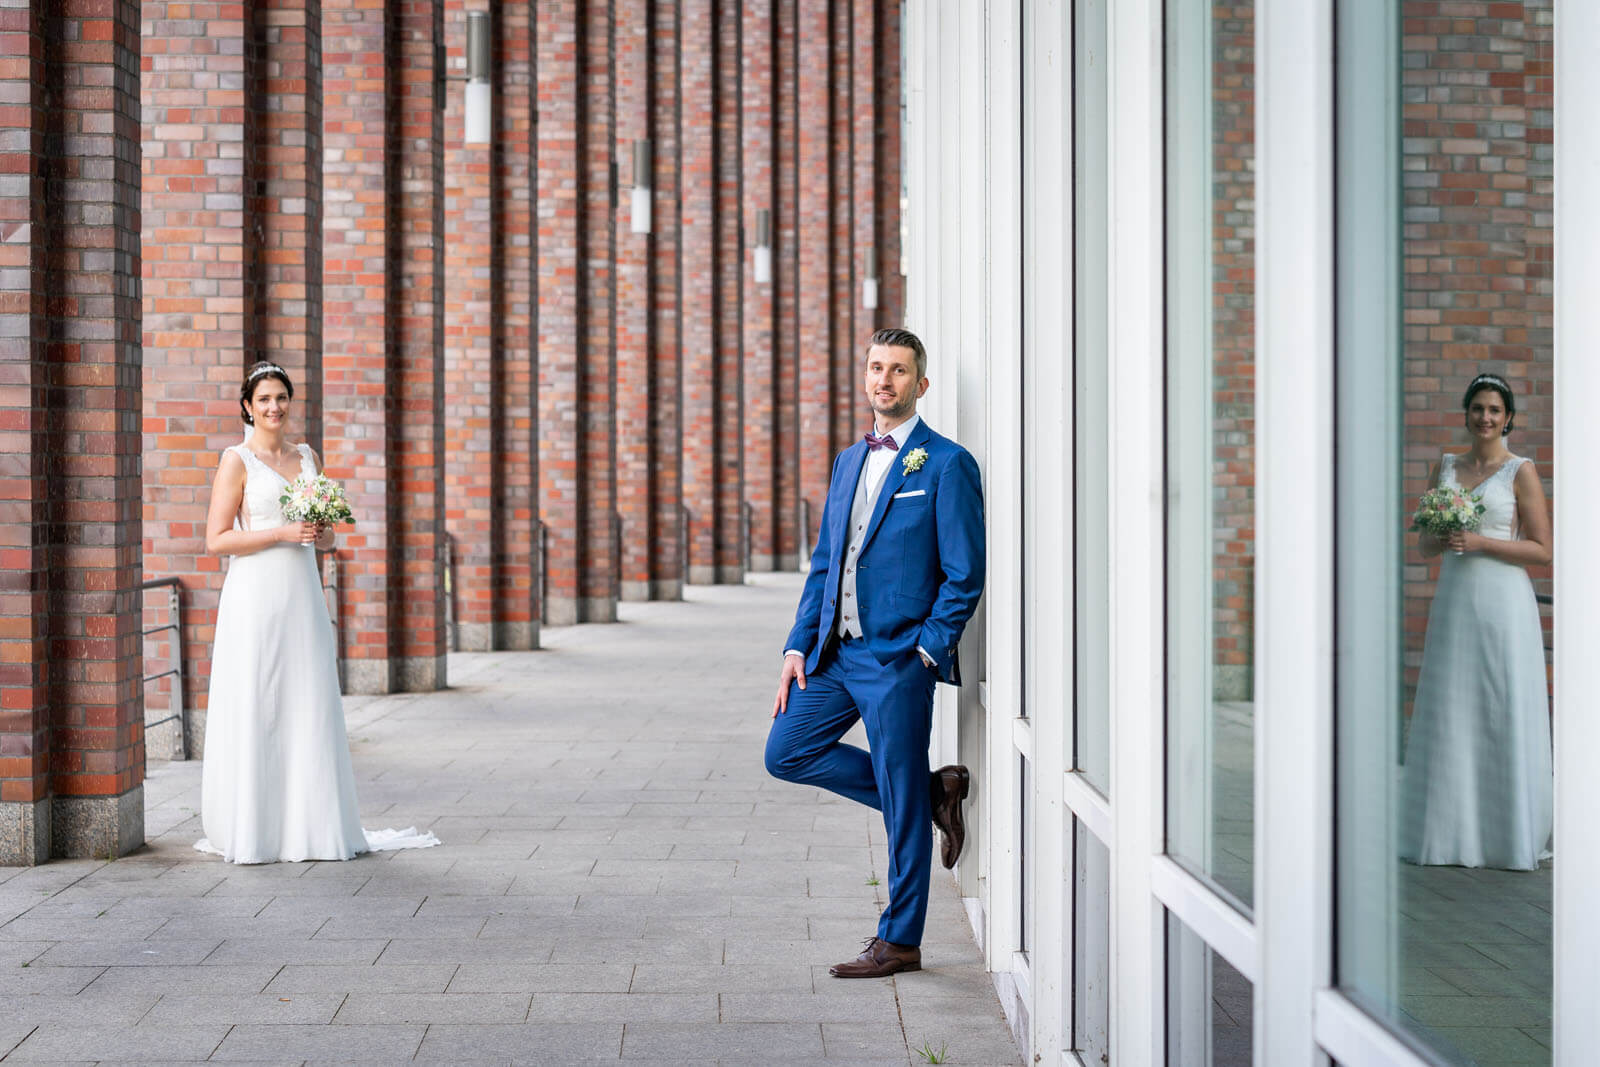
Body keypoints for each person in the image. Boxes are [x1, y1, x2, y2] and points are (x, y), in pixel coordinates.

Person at [764, 328, 985, 978]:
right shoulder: (848, 461)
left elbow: (964, 573)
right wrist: (797, 644)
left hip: (897, 661)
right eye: (875, 367)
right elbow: (826, 561)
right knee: (786, 750)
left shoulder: (946, 463)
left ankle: (901, 939)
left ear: (920, 384)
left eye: (897, 370)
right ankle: (929, 793)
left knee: (898, 803)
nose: (883, 379)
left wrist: (927, 650)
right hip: (837, 654)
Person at [195, 361, 439, 863]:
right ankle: (256, 828)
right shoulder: (235, 460)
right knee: (259, 698)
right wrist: (280, 533)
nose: (273, 407)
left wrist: (322, 533)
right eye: (263, 399)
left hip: (303, 593)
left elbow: (324, 534)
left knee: (306, 698)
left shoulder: (307, 455)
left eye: (281, 397)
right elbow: (216, 540)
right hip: (255, 597)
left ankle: (311, 823)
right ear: (247, 406)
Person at [1401, 372, 1552, 870]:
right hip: (1455, 601)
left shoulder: (1520, 471)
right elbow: (1422, 546)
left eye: (1495, 411)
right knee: (1452, 706)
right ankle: (1446, 833)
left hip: (1503, 606)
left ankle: (1504, 836)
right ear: (1466, 413)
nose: (1485, 418)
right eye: (1477, 409)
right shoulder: (1443, 468)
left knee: (1496, 705)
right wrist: (1441, 538)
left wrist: (1483, 542)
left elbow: (1543, 550)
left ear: (1508, 418)